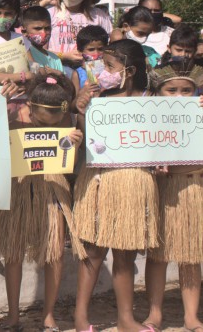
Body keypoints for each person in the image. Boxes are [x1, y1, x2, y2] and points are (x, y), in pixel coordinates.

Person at [72, 39, 159, 332]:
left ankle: (125, 319)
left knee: (125, 252)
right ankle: (80, 317)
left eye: (109, 66)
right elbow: (89, 142)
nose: (102, 70)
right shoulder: (99, 100)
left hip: (134, 182)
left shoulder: (152, 100)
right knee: (93, 251)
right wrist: (82, 110)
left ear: (130, 70)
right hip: (100, 180)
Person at [0, 73, 85, 331]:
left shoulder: (69, 122)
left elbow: (69, 163)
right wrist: (0, 109)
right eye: (43, 117)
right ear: (30, 106)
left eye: (56, 118)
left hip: (53, 190)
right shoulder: (12, 121)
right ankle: (13, 315)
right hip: (18, 190)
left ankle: (48, 314)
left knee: (54, 254)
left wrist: (73, 144)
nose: (51, 122)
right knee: (13, 253)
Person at [143, 58, 203, 332]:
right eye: (172, 91)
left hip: (192, 186)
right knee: (158, 254)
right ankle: (155, 313)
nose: (179, 96)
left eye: (186, 91)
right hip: (162, 187)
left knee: (191, 255)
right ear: (158, 92)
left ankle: (191, 316)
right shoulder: (147, 114)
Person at [45, 0, 112, 71]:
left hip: (94, 69)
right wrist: (64, 56)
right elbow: (41, 49)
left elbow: (110, 45)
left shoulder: (99, 16)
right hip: (58, 69)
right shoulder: (50, 14)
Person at [21, 6, 63, 72]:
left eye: (47, 28)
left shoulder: (55, 58)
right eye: (38, 29)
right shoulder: (22, 53)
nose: (43, 32)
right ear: (24, 32)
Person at [71, 25, 109, 92]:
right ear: (80, 51)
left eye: (100, 49)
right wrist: (83, 91)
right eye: (91, 50)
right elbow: (74, 100)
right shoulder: (77, 74)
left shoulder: (110, 70)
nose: (96, 53)